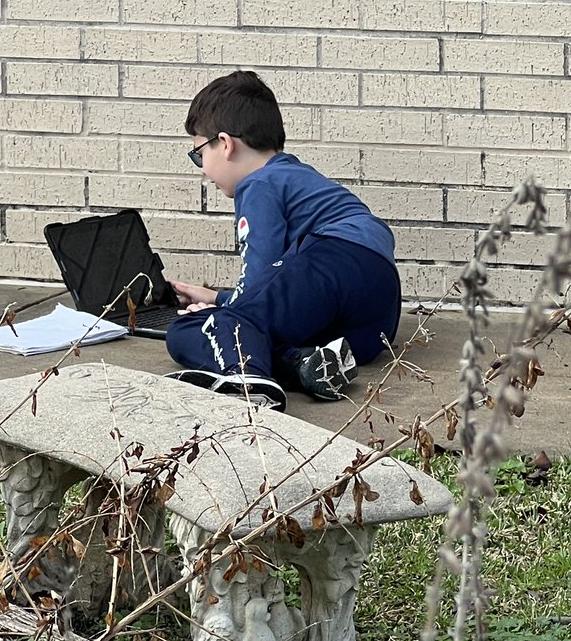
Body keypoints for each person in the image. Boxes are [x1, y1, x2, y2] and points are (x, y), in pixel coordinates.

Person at [165, 70, 401, 412]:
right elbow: (282, 294)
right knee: (268, 334)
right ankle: (304, 363)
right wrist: (219, 296)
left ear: (226, 144)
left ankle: (246, 379)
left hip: (330, 259)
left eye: (199, 153)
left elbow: (259, 276)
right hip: (376, 306)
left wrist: (222, 312)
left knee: (189, 328)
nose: (202, 168)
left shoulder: (258, 184)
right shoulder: (295, 173)